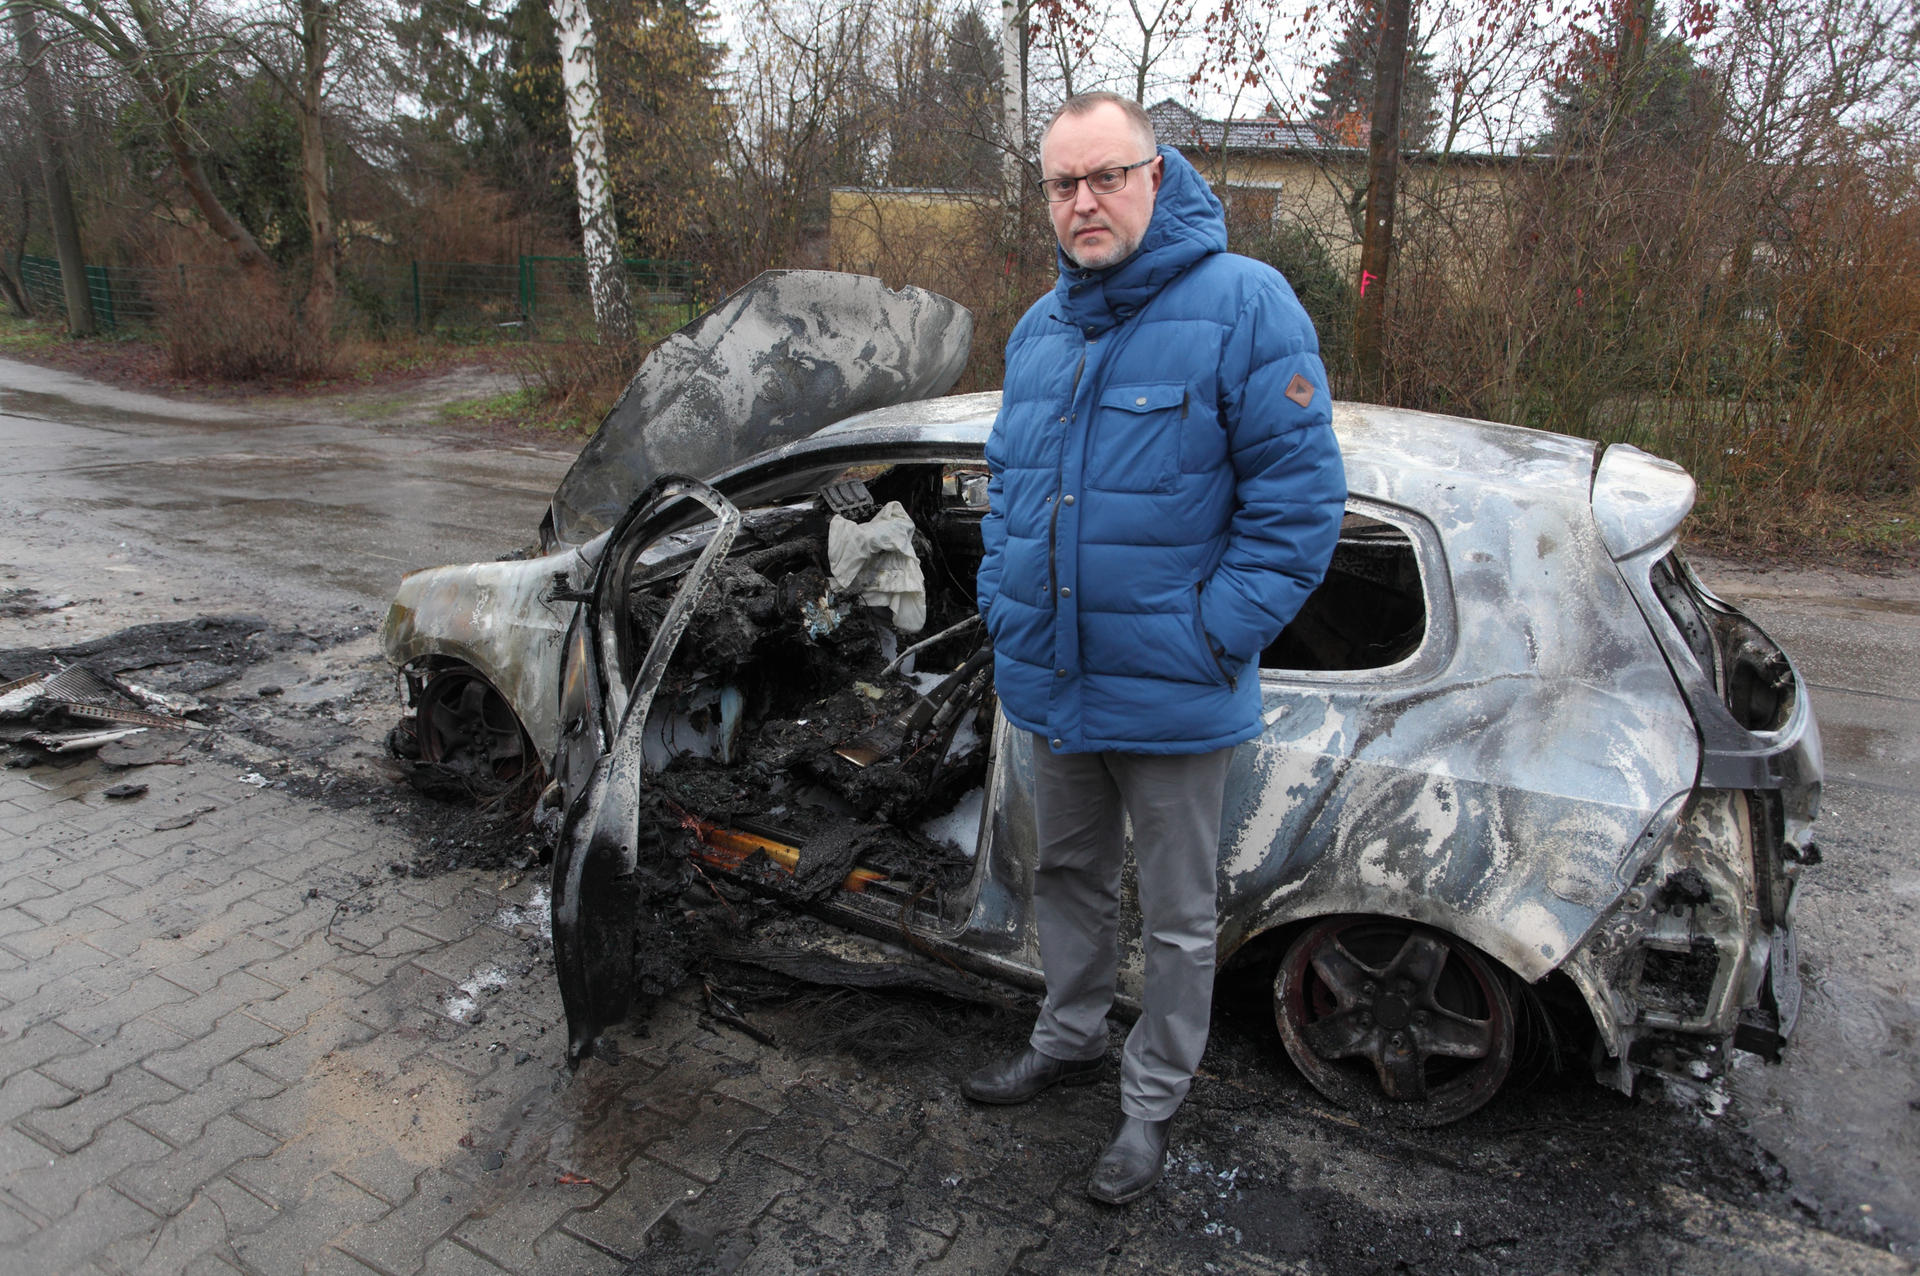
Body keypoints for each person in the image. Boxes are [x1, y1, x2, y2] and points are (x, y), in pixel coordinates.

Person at [965, 92, 1347, 1205]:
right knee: (1068, 875)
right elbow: (1011, 498)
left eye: (1105, 176)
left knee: (1178, 919)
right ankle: (1069, 1032)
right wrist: (1003, 601)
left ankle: (1150, 1106)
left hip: (1178, 690)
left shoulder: (1246, 305)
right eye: (1061, 184)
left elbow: (1300, 508)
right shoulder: (1039, 332)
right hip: (1054, 680)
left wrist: (1209, 636)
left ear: (1157, 174)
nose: (1083, 201)